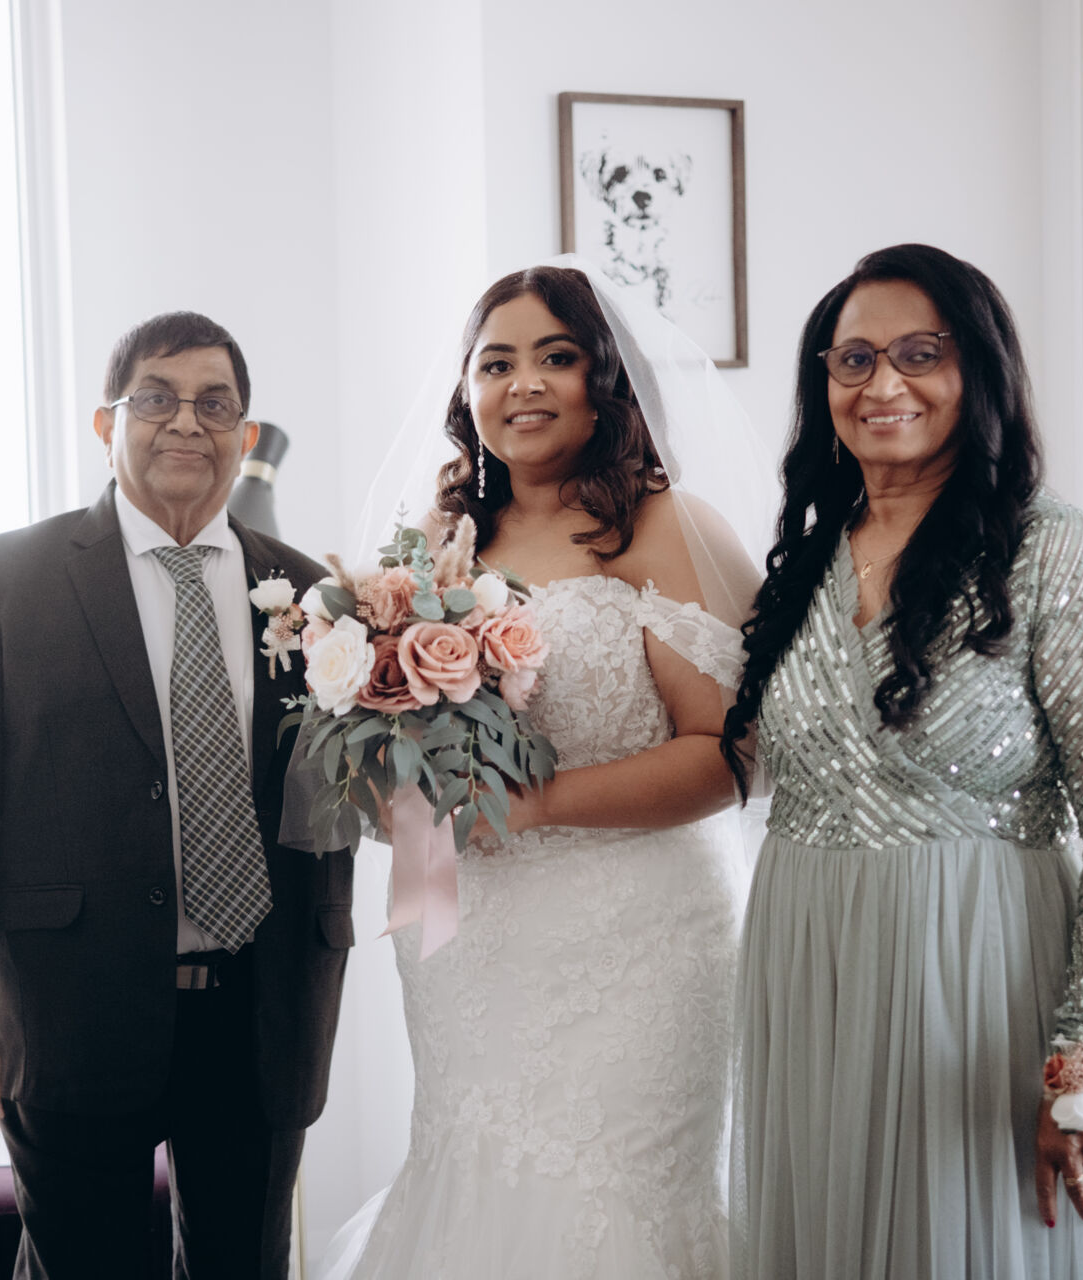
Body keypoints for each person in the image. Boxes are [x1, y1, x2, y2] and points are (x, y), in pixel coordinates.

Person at [313, 261, 773, 1278]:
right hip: (471, 942)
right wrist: (399, 796)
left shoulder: (662, 523)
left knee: (619, 1200)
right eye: (496, 363)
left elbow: (730, 753)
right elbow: (392, 754)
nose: (522, 384)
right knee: (470, 1178)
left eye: (555, 358)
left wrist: (533, 804)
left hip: (641, 938)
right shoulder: (433, 544)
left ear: (603, 380)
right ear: (467, 390)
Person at [722, 243, 1083, 1279]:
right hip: (809, 965)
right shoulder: (806, 561)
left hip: (979, 973)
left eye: (921, 354)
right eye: (855, 360)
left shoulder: (1053, 550)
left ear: (980, 370)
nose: (883, 384)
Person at [0, 311, 356, 1280]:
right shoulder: (8, 578)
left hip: (262, 1009)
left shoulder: (314, 594)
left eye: (215, 404)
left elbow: (340, 791)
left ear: (245, 433)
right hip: (73, 1004)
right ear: (107, 424)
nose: (186, 421)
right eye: (156, 398)